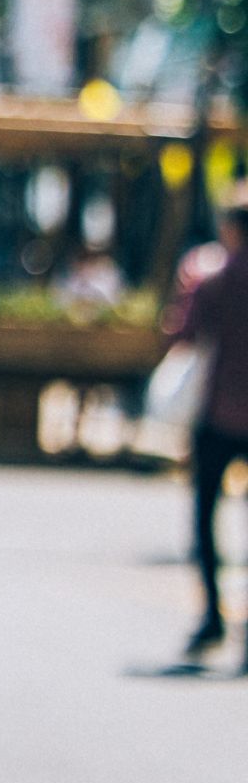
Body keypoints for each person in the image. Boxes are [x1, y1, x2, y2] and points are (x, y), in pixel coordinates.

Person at [171, 204, 248, 668]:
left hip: (220, 411)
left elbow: (184, 331)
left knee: (206, 518)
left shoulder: (213, 275)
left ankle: (213, 616)